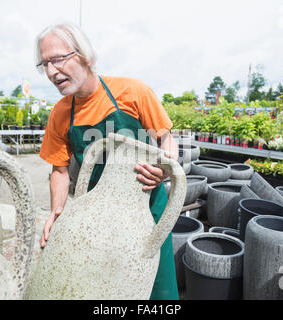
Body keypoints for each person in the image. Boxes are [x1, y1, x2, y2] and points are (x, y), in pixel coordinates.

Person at [36, 22, 179, 300]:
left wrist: (162, 169)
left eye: (57, 59)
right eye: (44, 64)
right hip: (98, 220)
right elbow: (60, 170)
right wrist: (57, 212)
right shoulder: (61, 114)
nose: (51, 72)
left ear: (85, 55)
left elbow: (167, 141)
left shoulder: (133, 92)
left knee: (158, 291)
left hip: (148, 213)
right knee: (107, 288)